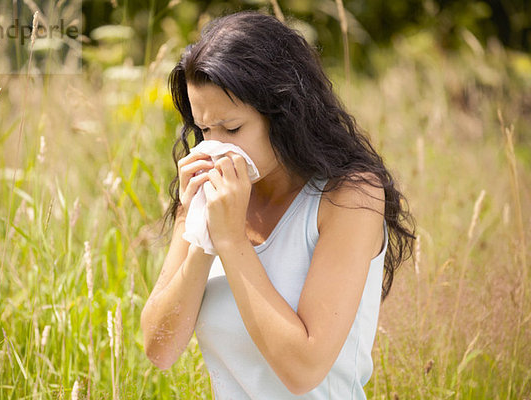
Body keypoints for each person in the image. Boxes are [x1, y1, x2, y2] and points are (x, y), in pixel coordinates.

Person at [140, 11, 415, 399]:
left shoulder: (349, 198)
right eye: (204, 129)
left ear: (284, 114)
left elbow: (304, 371)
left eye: (232, 129)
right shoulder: (208, 194)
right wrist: (203, 239)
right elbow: (160, 350)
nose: (216, 148)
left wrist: (232, 241)